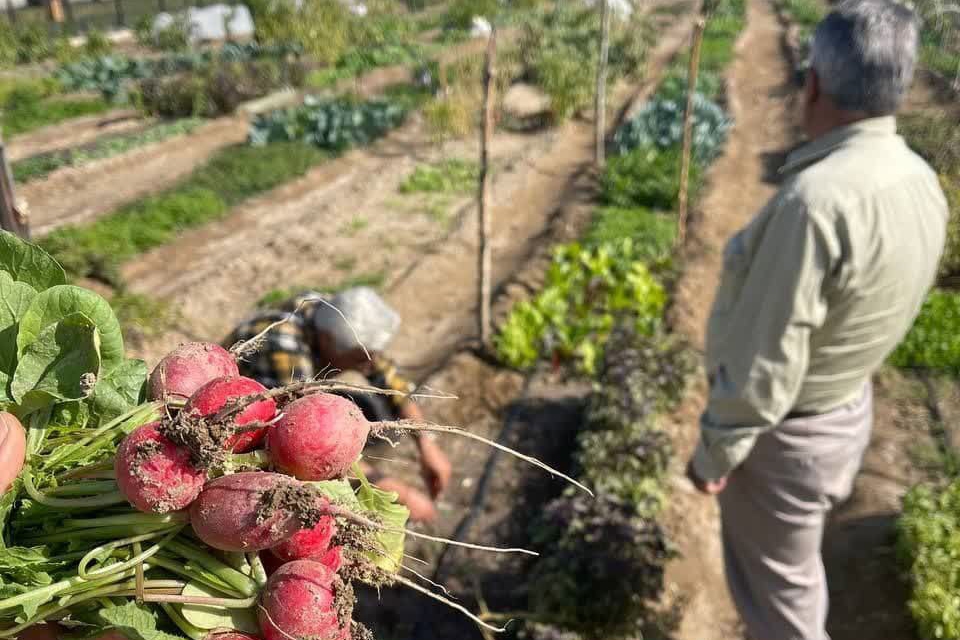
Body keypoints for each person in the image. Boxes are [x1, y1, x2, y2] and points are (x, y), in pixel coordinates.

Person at [684, 1, 948, 638]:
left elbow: (767, 362)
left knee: (782, 607)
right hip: (846, 409)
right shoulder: (918, 179)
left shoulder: (816, 202)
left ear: (816, 84)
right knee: (795, 573)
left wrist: (715, 453)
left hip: (787, 441)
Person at [226, 286, 452, 523]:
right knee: (289, 457)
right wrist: (395, 491)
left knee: (368, 409)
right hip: (245, 412)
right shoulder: (284, 347)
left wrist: (427, 442)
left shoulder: (334, 316)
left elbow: (390, 380)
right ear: (327, 340)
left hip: (301, 383)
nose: (367, 365)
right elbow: (309, 439)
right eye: (358, 359)